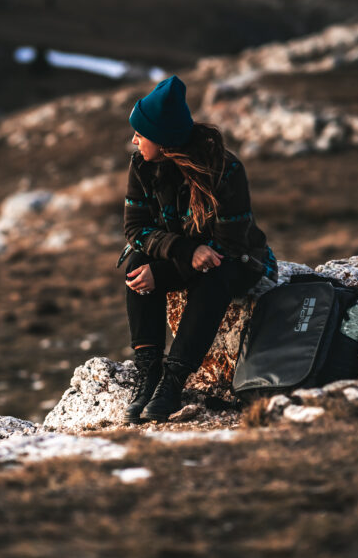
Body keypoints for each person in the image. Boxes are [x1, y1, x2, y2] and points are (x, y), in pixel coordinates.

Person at [116, 74, 278, 423]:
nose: (134, 140)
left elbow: (229, 244)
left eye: (140, 135)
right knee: (135, 261)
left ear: (163, 140)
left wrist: (165, 271)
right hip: (185, 254)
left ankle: (173, 382)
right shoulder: (142, 166)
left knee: (215, 276)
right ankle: (149, 374)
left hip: (237, 260)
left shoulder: (225, 169)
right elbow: (134, 228)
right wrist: (179, 251)